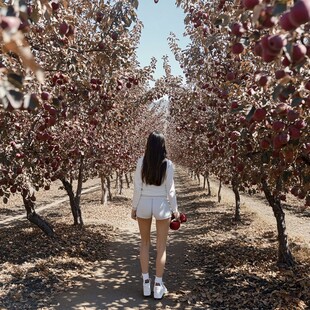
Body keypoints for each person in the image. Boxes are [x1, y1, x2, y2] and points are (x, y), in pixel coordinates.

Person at [131, 131, 180, 300]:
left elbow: (138, 187)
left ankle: (146, 282)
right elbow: (170, 190)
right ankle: (158, 285)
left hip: (144, 203)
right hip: (161, 205)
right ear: (162, 145)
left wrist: (134, 207)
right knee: (161, 246)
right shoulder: (168, 164)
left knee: (144, 243)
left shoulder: (141, 162)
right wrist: (175, 210)